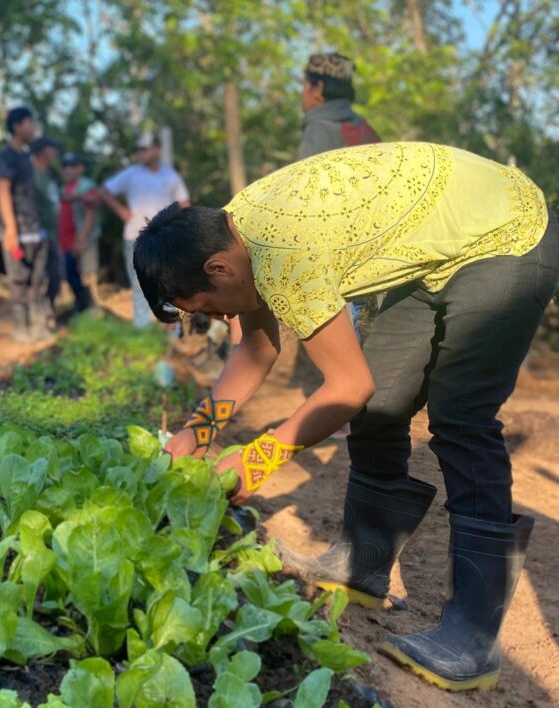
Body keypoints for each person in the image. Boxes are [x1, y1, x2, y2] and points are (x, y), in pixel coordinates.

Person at [135, 142, 557, 692]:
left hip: (503, 233)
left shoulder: (282, 252)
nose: (221, 320)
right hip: (440, 251)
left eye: (210, 309)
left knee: (460, 415)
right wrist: (197, 433)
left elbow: (346, 387)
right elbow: (258, 351)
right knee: (384, 404)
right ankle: (362, 562)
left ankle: (472, 639)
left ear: (218, 268)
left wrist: (259, 458)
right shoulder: (235, 234)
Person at [298, 51, 382, 437]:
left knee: (338, 324)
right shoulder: (365, 128)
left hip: (337, 245)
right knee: (362, 322)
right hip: (374, 242)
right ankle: (360, 403)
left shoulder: (319, 129)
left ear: (317, 88)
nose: (301, 93)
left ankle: (340, 407)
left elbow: (306, 192)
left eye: (304, 85)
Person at [99, 132, 190, 327]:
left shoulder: (170, 175)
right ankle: (142, 330)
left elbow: (184, 203)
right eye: (139, 150)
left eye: (145, 149)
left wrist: (179, 228)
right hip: (135, 236)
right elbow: (104, 191)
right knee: (139, 284)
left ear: (157, 150)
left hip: (164, 238)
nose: (141, 153)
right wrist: (121, 210)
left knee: (168, 282)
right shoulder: (131, 174)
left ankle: (170, 329)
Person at [0, 107, 49, 342]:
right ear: (17, 126)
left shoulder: (27, 157)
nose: (32, 126)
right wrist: (10, 228)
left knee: (36, 279)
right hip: (16, 232)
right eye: (29, 122)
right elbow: (2, 189)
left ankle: (38, 327)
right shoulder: (6, 155)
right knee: (18, 279)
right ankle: (21, 329)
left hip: (35, 230)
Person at [30, 136, 64, 326]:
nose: (55, 154)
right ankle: (35, 317)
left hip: (53, 234)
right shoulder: (31, 175)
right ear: (43, 151)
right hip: (37, 234)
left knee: (57, 274)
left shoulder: (50, 174)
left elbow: (56, 198)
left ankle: (47, 307)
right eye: (52, 149)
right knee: (37, 276)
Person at [58, 152, 97, 313]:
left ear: (79, 168)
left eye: (72, 166)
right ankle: (80, 308)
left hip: (82, 240)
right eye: (65, 167)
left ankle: (92, 310)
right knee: (70, 274)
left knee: (87, 275)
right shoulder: (62, 189)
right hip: (65, 241)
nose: (68, 170)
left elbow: (91, 210)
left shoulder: (87, 186)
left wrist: (81, 239)